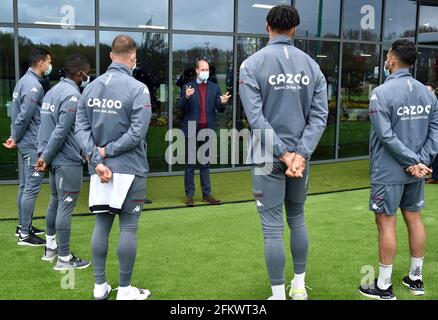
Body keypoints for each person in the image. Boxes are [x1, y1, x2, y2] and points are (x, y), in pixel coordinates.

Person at [239, 5, 328, 300]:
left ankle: (278, 294)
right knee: (298, 218)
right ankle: (299, 287)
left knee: (272, 230)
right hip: (299, 161)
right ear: (294, 29)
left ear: (267, 26)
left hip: (268, 159)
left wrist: (285, 154)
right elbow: (319, 117)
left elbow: (256, 118)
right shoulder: (312, 67)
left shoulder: (251, 65)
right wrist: (298, 155)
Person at [359, 40, 438, 300]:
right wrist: (420, 162)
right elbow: (434, 133)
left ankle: (383, 286)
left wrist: (411, 162)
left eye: (387, 56)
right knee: (414, 219)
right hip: (417, 170)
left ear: (392, 59)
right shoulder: (428, 94)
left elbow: (385, 135)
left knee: (386, 223)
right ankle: (415, 279)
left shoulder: (380, 93)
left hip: (389, 171)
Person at [75, 35, 152, 300]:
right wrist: (106, 152)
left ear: (110, 56)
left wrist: (96, 159)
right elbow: (138, 133)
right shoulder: (139, 89)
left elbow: (80, 129)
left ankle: (99, 287)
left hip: (100, 170)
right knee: (129, 228)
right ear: (132, 58)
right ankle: (126, 290)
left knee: (102, 225)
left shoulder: (90, 88)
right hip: (130, 168)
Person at [36, 54, 91, 270]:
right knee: (65, 207)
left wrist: (44, 154)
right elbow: (61, 131)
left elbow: (45, 127)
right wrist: (45, 156)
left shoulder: (52, 92)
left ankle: (51, 249)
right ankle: (64, 259)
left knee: (55, 202)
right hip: (66, 160)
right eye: (87, 72)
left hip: (53, 158)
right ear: (80, 73)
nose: (88, 76)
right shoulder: (72, 96)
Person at [3, 48, 52, 245]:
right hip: (32, 142)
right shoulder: (34, 86)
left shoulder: (23, 82)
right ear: (41, 63)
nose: (50, 66)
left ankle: (23, 225)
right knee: (30, 188)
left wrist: (15, 136)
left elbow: (20, 115)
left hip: (26, 141)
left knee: (24, 187)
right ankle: (25, 234)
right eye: (49, 62)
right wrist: (14, 136)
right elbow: (24, 116)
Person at [179, 60, 231, 207]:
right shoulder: (187, 87)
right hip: (191, 129)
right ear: (196, 70)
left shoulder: (215, 88)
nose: (205, 72)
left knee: (205, 164)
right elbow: (181, 108)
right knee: (190, 164)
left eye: (207, 69)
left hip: (207, 129)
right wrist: (186, 97)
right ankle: (189, 195)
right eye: (203, 69)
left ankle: (206, 195)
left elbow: (219, 108)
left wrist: (223, 102)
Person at [425, 83, 438, 184]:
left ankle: (435, 177)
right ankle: (427, 172)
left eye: (429, 91)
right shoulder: (421, 102)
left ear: (434, 91)